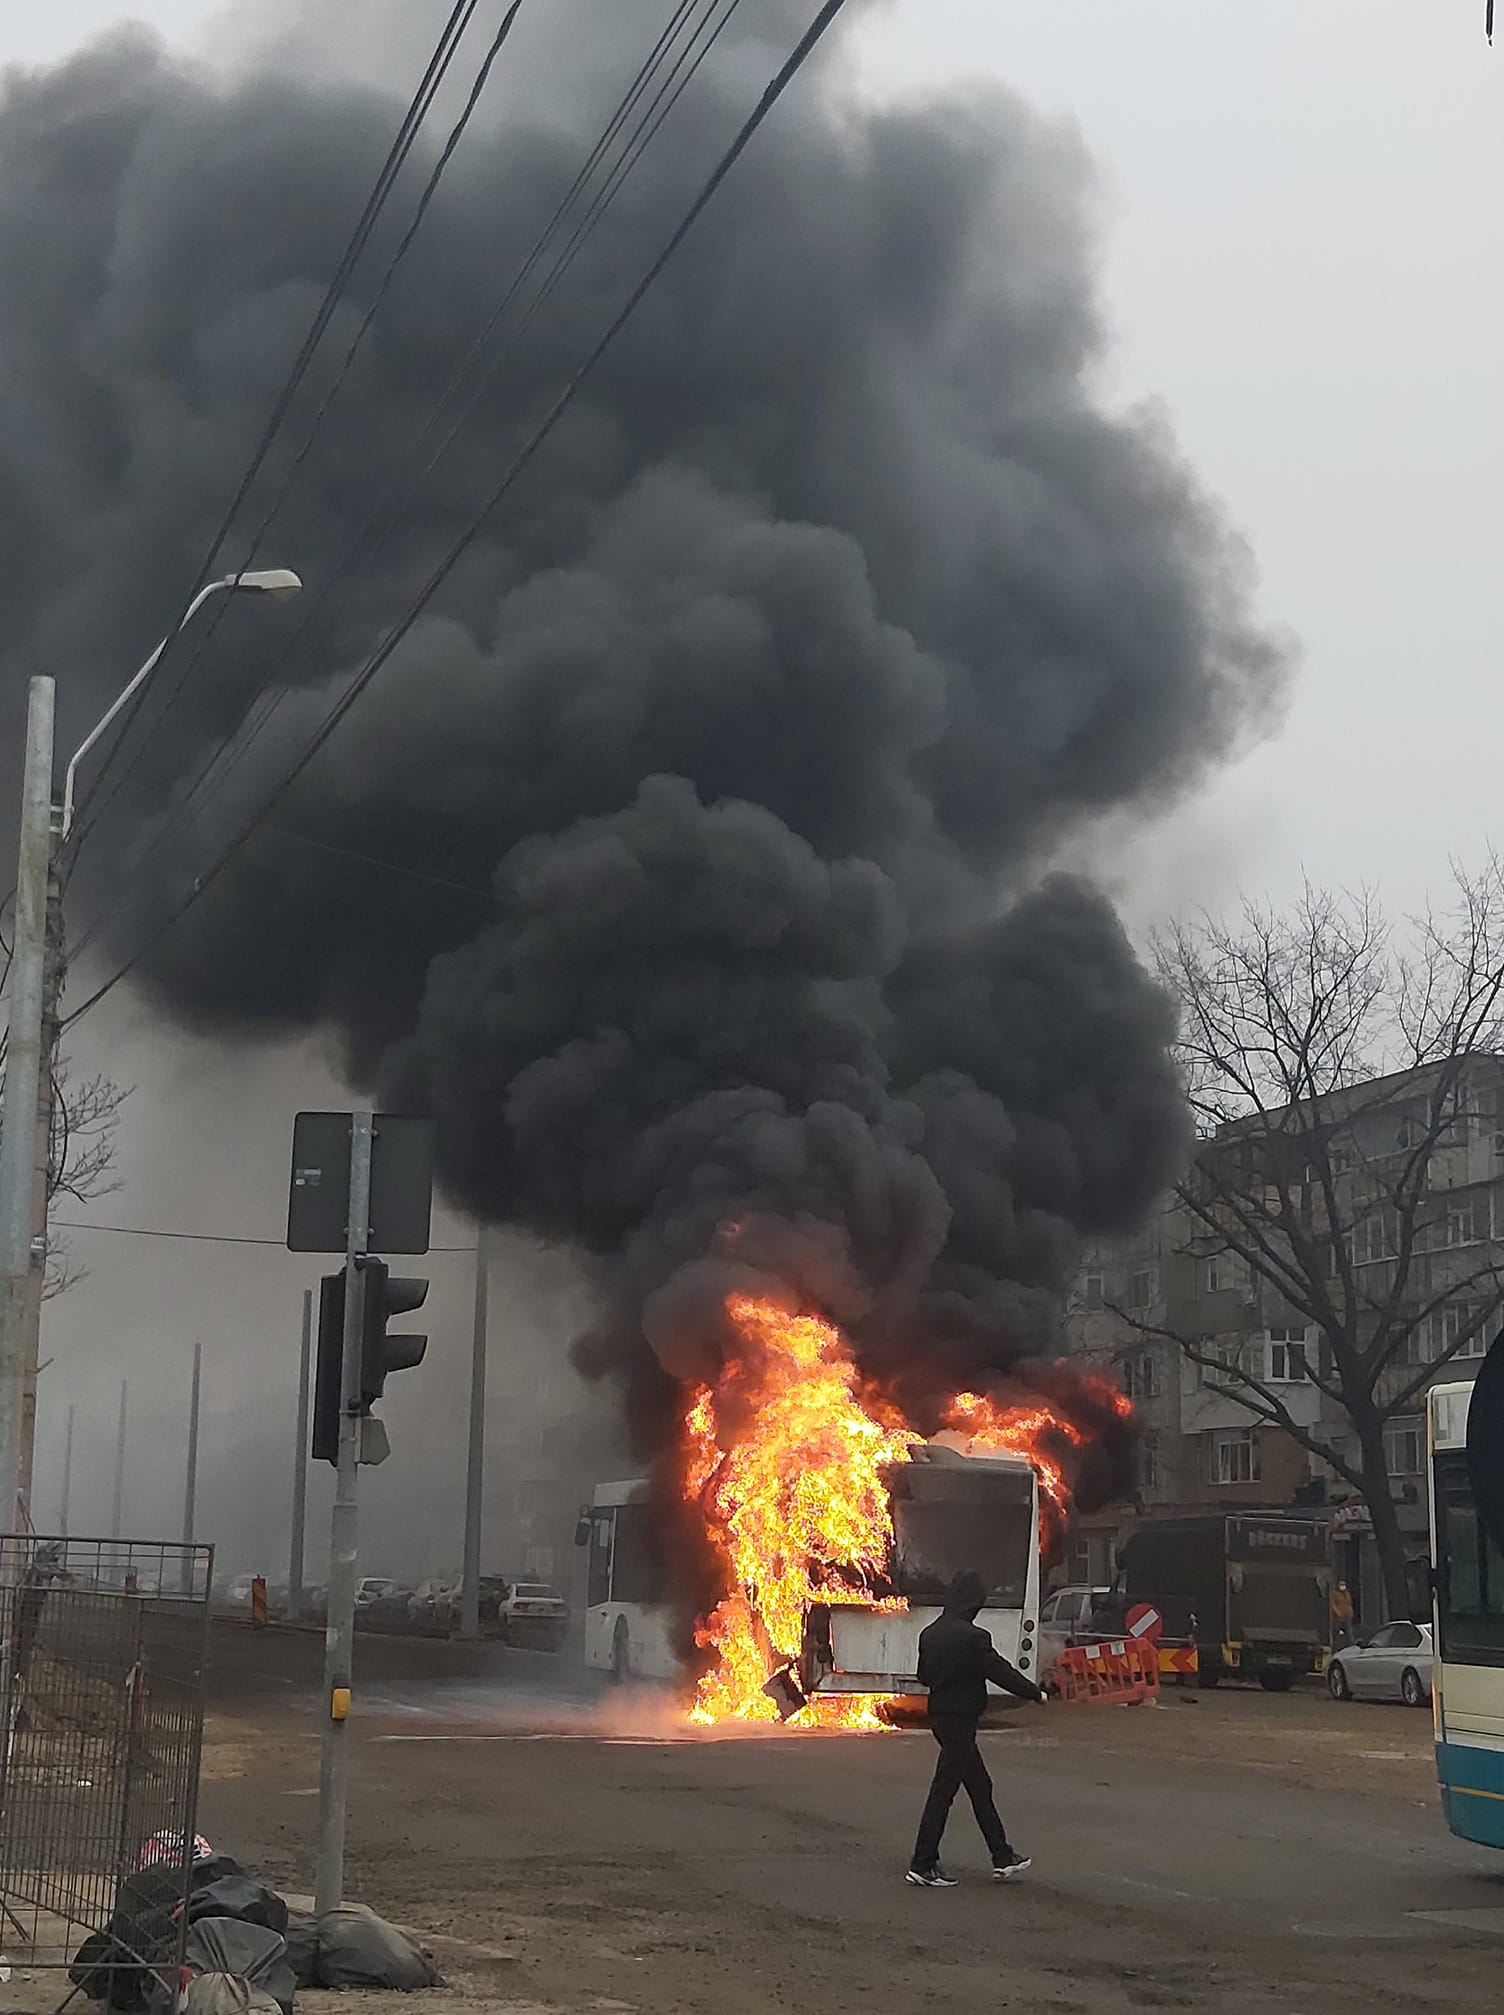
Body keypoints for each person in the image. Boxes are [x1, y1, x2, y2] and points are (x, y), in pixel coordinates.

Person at [907, 1568, 1044, 1888]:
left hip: (940, 1718)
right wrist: (1034, 1692)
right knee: (943, 1792)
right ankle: (922, 1863)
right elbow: (1000, 1672)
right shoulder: (974, 1638)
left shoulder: (930, 1632)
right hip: (961, 1721)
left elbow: (924, 1676)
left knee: (980, 1786)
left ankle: (1002, 1855)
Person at [1330, 1580, 1355, 1648]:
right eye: (1341, 1585)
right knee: (1339, 1633)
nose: (1342, 1587)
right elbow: (1333, 1605)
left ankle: (1351, 1645)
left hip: (1347, 1616)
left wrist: (1351, 1612)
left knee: (1349, 1632)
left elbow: (1349, 1603)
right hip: (1339, 1618)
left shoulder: (1347, 1594)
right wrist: (1337, 1613)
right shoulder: (1335, 1594)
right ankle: (1337, 1646)